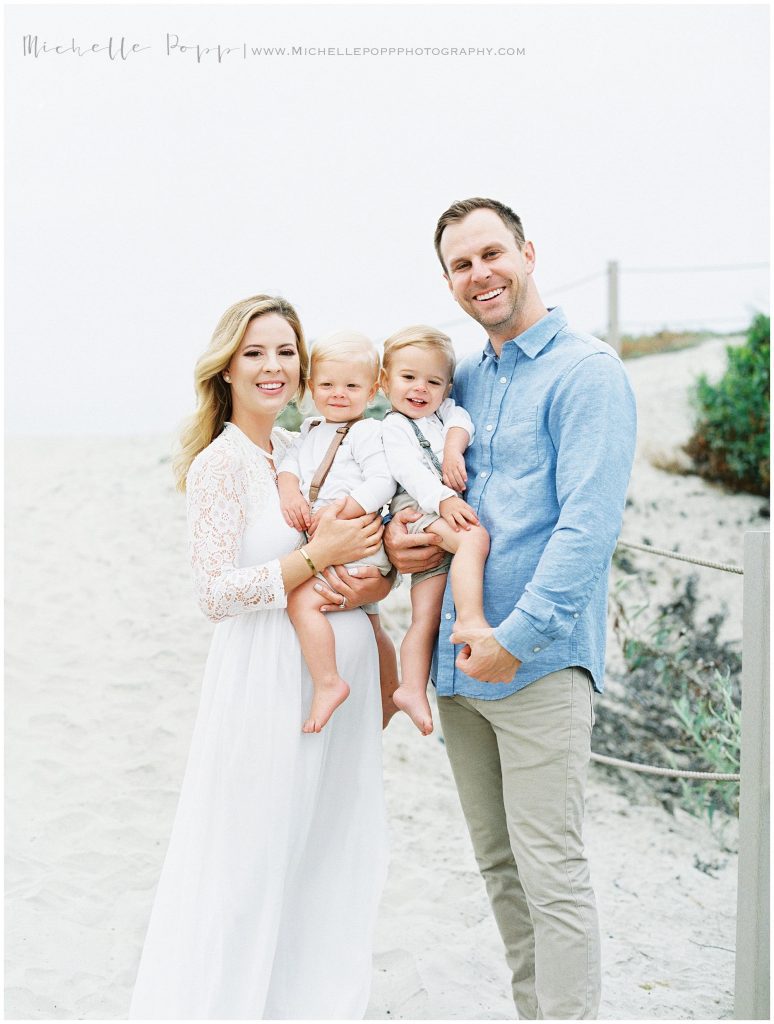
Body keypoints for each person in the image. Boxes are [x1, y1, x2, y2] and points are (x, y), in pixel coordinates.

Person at [384, 198, 637, 1020]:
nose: (479, 274)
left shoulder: (587, 372)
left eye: (491, 253)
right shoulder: (465, 376)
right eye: (461, 264)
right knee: (499, 867)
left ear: (528, 252)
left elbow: (586, 528)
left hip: (536, 664)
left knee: (551, 870)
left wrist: (514, 640)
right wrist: (401, 539)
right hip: (460, 672)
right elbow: (422, 480)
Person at [129, 295, 393, 1020]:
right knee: (251, 856)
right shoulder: (224, 463)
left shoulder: (301, 449)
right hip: (266, 681)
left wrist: (376, 571)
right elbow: (214, 594)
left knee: (326, 854)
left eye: (285, 352)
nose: (272, 366)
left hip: (333, 681)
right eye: (254, 353)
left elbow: (362, 544)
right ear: (227, 369)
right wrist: (314, 558)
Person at [277, 330, 398, 733]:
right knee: (372, 619)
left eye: (351, 386)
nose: (338, 394)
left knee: (300, 603)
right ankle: (389, 691)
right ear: (311, 387)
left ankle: (329, 683)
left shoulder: (368, 432)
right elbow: (289, 464)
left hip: (351, 534)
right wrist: (290, 491)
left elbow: (383, 480)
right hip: (338, 538)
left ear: (373, 389)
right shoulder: (311, 430)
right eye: (327, 385)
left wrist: (342, 510)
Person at [380, 324, 489, 737]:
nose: (420, 389)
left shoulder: (443, 414)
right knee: (474, 538)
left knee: (424, 617)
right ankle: (472, 620)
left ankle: (410, 688)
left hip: (438, 517)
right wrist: (443, 498)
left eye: (434, 381)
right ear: (384, 381)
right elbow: (407, 470)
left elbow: (461, 417)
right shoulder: (392, 427)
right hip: (421, 509)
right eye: (408, 378)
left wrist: (451, 447)